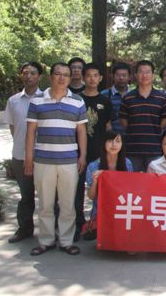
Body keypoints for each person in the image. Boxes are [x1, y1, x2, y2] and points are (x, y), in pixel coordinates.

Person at [25, 62, 87, 256]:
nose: (62, 78)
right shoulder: (37, 101)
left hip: (69, 160)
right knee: (45, 204)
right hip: (43, 160)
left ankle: (66, 241)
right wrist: (29, 158)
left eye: (66, 75)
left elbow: (82, 131)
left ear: (70, 78)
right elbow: (30, 132)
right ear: (51, 76)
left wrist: (83, 156)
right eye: (58, 74)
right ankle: (46, 240)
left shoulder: (77, 101)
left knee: (68, 204)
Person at [4, 61, 43, 243]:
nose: (29, 76)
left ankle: (51, 231)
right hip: (20, 155)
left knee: (49, 197)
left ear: (40, 76)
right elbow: (13, 128)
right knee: (26, 195)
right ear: (21, 76)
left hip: (44, 156)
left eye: (33, 73)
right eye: (25, 73)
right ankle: (25, 229)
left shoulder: (47, 98)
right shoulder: (13, 101)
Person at [77, 63, 112, 241]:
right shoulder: (76, 99)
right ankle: (78, 224)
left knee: (99, 191)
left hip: (99, 151)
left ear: (100, 78)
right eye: (88, 75)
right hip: (77, 152)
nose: (92, 79)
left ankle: (97, 225)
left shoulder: (105, 101)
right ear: (83, 78)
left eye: (95, 75)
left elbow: (108, 127)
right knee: (77, 190)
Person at [119, 60, 166, 172]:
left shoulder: (162, 98)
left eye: (147, 72)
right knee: (133, 181)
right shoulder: (127, 98)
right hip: (132, 150)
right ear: (136, 75)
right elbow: (124, 122)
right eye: (141, 72)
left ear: (153, 75)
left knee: (154, 181)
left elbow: (165, 119)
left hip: (154, 149)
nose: (144, 75)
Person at [85, 130, 133, 240]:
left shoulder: (127, 164)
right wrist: (95, 181)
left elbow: (130, 192)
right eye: (110, 141)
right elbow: (91, 197)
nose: (114, 144)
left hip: (122, 209)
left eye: (118, 141)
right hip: (101, 211)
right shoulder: (93, 166)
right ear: (104, 143)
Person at [100, 62, 130, 135]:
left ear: (129, 77)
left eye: (124, 75)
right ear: (112, 76)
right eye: (118, 75)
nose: (121, 78)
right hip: (110, 137)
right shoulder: (104, 95)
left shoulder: (134, 95)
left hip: (131, 137)